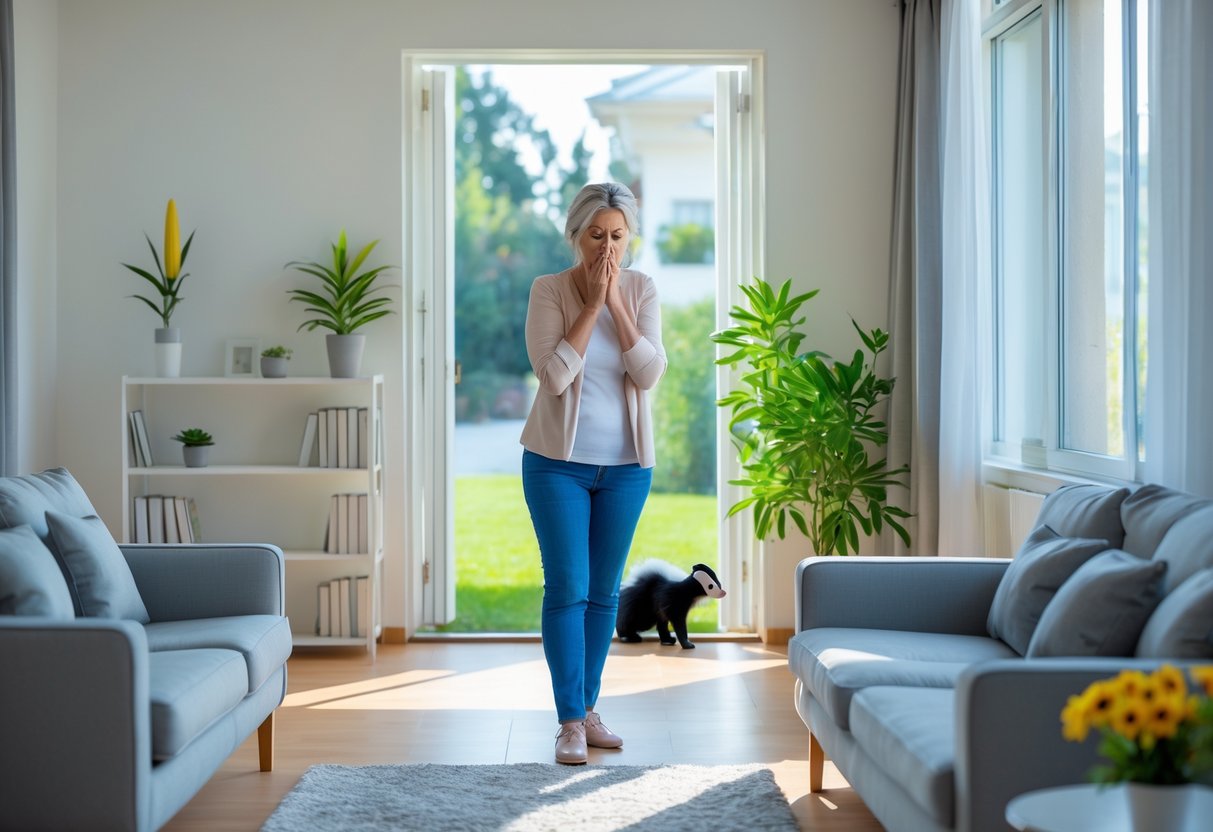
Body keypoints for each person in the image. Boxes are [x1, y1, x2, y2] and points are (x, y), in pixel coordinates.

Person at [519, 182, 667, 765]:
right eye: (596, 235)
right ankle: (569, 723)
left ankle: (587, 709)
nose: (607, 248)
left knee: (604, 595)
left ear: (630, 238)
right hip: (557, 466)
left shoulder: (643, 289)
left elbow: (649, 373)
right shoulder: (548, 290)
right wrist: (589, 306)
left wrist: (618, 306)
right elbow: (553, 377)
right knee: (568, 588)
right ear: (575, 234)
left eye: (617, 236)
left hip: (627, 469)